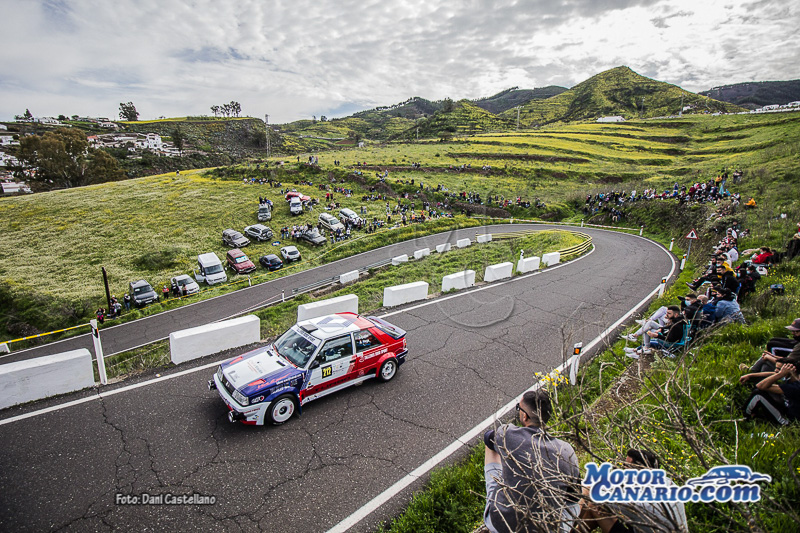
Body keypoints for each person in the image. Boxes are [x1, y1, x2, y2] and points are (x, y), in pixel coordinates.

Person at [484, 390, 580, 533]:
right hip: (545, 528)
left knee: (491, 448)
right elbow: (574, 496)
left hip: (501, 523)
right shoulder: (566, 451)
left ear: (524, 416)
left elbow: (488, 437)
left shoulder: (508, 434)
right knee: (579, 500)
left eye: (519, 408)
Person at [577, 449, 688, 533]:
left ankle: (571, 528)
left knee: (594, 506)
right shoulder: (668, 483)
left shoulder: (636, 498)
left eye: (626, 467)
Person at [744, 358, 800, 425]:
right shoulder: (793, 378)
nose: (775, 370)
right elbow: (773, 373)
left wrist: (780, 374)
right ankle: (754, 414)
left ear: (790, 371)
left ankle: (744, 415)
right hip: (786, 409)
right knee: (763, 390)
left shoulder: (794, 387)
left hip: (788, 421)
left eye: (779, 369)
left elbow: (760, 385)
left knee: (758, 395)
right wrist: (750, 375)